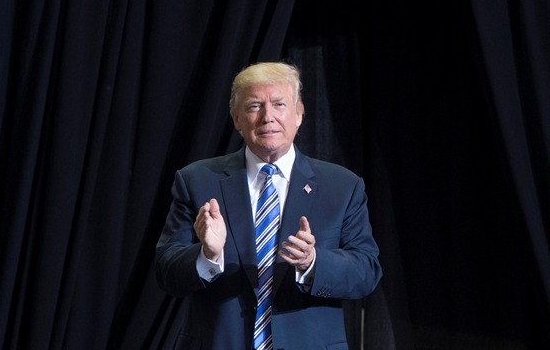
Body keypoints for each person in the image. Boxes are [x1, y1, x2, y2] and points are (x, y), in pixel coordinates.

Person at [155, 61, 382, 350]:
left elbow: (367, 271)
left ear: (299, 114)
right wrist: (207, 255)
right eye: (254, 106)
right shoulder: (197, 181)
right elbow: (165, 271)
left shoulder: (343, 186)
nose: (268, 117)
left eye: (279, 104)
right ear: (236, 119)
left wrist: (312, 263)